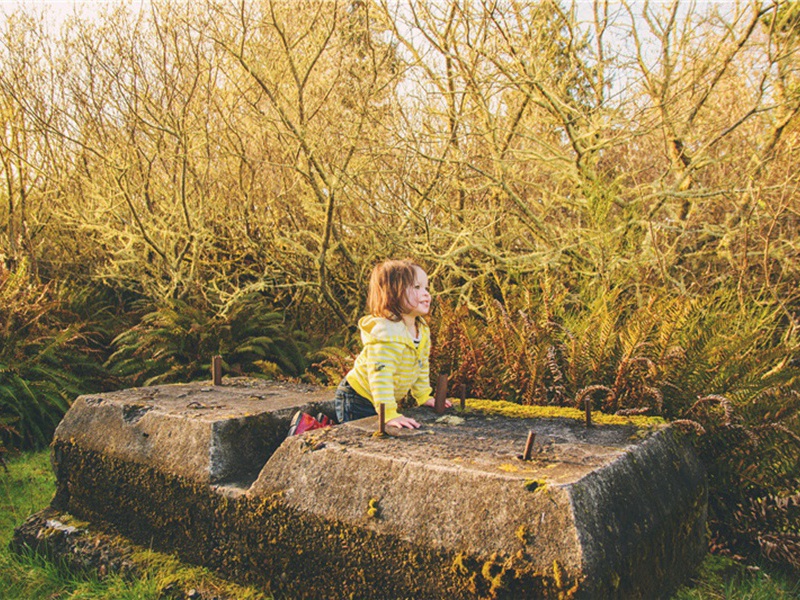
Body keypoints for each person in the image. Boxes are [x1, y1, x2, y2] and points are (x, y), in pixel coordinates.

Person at [288, 258, 450, 436]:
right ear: (393, 293)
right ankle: (309, 430)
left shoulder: (422, 330)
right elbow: (380, 376)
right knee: (358, 437)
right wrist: (388, 413)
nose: (426, 294)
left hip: (376, 398)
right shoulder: (387, 333)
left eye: (426, 288)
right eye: (417, 288)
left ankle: (324, 424)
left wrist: (423, 396)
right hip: (359, 397)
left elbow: (420, 365)